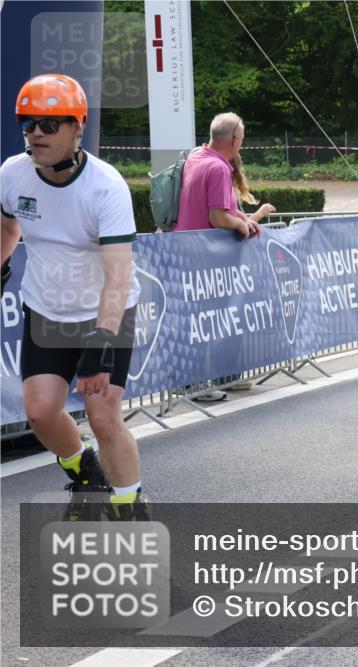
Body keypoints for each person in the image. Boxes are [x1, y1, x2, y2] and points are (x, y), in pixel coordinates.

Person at [0, 74, 148, 519]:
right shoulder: (12, 173)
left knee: (102, 417)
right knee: (41, 412)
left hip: (106, 311)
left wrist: (103, 338)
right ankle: (86, 473)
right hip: (46, 308)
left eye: (50, 123)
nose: (36, 134)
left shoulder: (105, 186)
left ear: (77, 127)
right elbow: (8, 228)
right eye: (28, 123)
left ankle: (130, 511)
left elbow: (118, 273)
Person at [175, 113, 272, 401]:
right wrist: (242, 225)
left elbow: (222, 208)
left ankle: (219, 376)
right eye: (241, 138)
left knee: (200, 317)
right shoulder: (218, 168)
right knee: (208, 318)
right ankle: (197, 383)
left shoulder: (196, 157)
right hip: (207, 257)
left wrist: (243, 217)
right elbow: (217, 216)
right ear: (235, 139)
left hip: (189, 251)